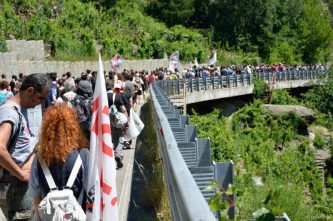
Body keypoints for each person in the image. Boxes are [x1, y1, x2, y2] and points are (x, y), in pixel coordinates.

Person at [0, 73, 50, 220]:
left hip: (19, 188)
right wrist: (20, 173)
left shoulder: (19, 110)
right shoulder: (11, 113)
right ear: (30, 91)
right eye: (41, 98)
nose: (41, 103)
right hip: (16, 188)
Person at [28, 103, 89, 220]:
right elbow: (91, 191)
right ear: (74, 128)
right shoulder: (83, 155)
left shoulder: (38, 158)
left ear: (46, 130)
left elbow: (36, 197)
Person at [107, 81, 128, 169]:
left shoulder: (101, 96)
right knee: (118, 139)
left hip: (105, 121)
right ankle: (118, 155)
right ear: (113, 87)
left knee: (108, 139)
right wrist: (127, 121)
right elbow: (123, 110)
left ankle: (107, 159)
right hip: (116, 121)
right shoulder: (117, 96)